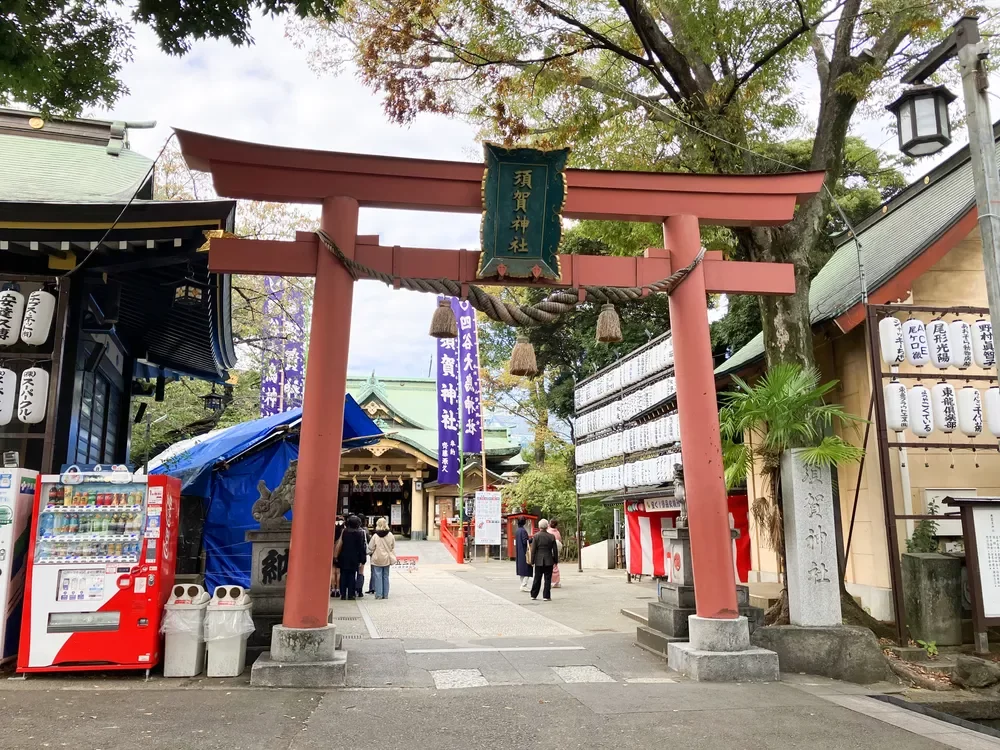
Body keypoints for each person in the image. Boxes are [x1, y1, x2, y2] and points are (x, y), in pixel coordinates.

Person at [335, 515, 366, 600]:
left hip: (344, 556)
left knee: (343, 575)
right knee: (352, 575)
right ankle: (351, 594)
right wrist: (362, 559)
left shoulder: (344, 531)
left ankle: (343, 593)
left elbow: (340, 543)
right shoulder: (359, 533)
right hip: (354, 557)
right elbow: (361, 547)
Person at [529, 518, 559, 602]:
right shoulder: (551, 536)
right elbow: (555, 550)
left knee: (537, 578)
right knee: (548, 579)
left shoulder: (536, 536)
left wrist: (532, 561)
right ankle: (546, 596)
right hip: (549, 560)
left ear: (539, 526)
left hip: (538, 560)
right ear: (547, 526)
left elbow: (533, 550)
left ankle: (534, 595)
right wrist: (556, 560)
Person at [367, 517, 397, 599]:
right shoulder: (390, 535)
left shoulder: (375, 536)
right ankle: (385, 594)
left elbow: (370, 547)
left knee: (377, 576)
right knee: (386, 576)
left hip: (377, 558)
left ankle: (379, 594)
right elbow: (393, 546)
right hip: (387, 558)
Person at [514, 517, 532, 591]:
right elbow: (525, 542)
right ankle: (524, 585)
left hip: (519, 552)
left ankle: (523, 584)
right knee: (527, 568)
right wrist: (532, 539)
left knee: (521, 569)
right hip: (525, 552)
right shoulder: (523, 531)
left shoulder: (517, 530)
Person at [330, 515, 344, 597]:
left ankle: (332, 589)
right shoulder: (342, 532)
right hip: (340, 553)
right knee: (338, 572)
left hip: (332, 553)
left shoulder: (332, 531)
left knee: (332, 572)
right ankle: (338, 589)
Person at [549, 518, 563, 588]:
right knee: (555, 565)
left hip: (549, 551)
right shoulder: (557, 532)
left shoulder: (548, 531)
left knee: (550, 567)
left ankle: (552, 581)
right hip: (556, 551)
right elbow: (560, 540)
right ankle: (556, 581)